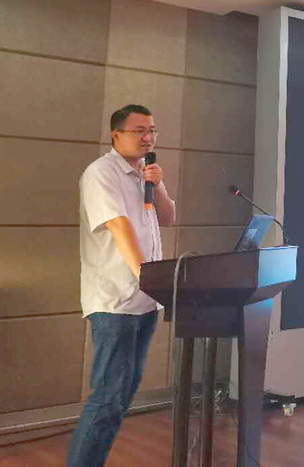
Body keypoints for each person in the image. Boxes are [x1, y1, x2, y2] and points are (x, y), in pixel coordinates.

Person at [67, 104, 176, 467]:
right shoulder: (101, 173)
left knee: (122, 396)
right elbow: (119, 226)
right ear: (116, 135)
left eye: (152, 130)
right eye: (139, 130)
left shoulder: (145, 172)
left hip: (144, 301)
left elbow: (169, 217)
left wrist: (157, 184)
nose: (148, 137)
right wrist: (149, 277)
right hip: (115, 301)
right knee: (108, 397)